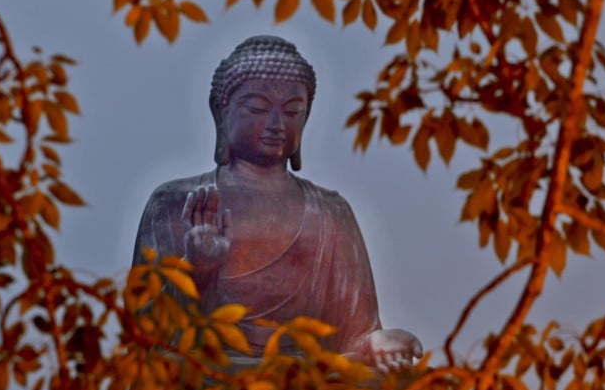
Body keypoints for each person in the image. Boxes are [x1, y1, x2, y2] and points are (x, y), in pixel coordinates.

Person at [133, 35, 421, 372]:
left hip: (308, 379)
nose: (275, 125)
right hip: (210, 375)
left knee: (390, 383)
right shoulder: (175, 203)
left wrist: (374, 342)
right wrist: (197, 268)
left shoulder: (331, 213)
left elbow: (353, 333)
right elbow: (146, 334)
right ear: (220, 111)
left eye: (292, 112)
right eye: (256, 108)